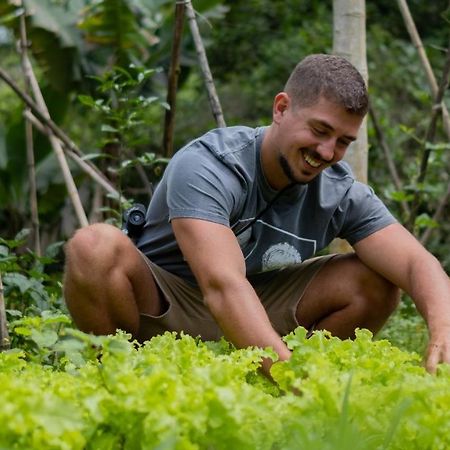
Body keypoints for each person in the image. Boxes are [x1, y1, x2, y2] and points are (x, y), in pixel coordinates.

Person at [63, 54, 450, 377]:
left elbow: (417, 263)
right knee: (94, 246)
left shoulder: (340, 190)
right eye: (320, 130)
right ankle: (117, 379)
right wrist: (289, 378)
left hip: (259, 307)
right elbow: (222, 285)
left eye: (343, 141)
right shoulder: (209, 165)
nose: (328, 151)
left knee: (375, 280)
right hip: (169, 302)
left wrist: (443, 330)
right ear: (281, 108)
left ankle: (281, 384)